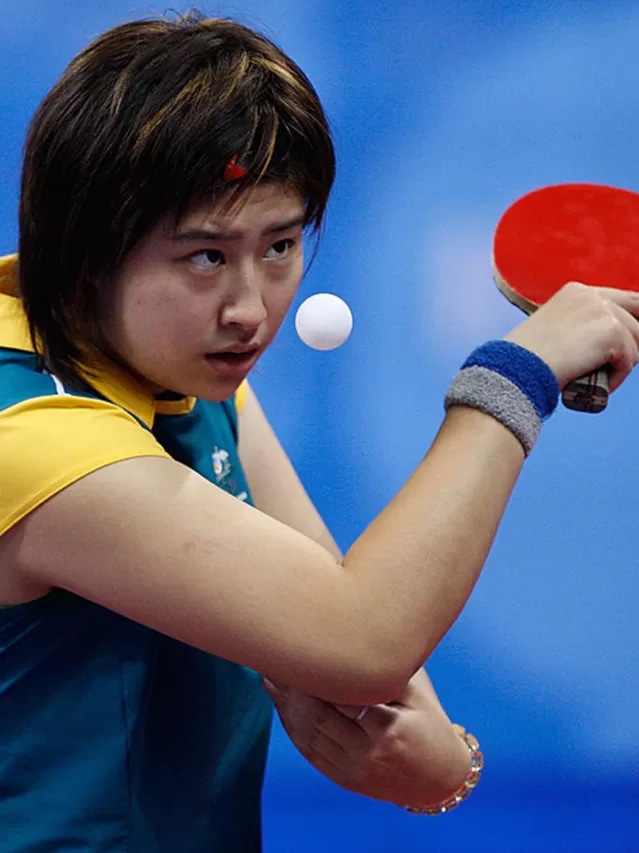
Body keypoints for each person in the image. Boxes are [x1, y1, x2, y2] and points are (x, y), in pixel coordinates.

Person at [1, 10, 638, 852]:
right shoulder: (32, 435)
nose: (250, 308)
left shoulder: (180, 366)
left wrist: (445, 762)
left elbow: (322, 617)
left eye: (281, 245)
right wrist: (511, 380)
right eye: (204, 256)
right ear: (85, 251)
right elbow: (359, 633)